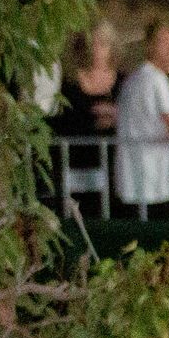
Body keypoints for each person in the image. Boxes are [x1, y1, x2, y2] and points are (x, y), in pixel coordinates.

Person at [112, 16, 169, 220]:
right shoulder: (157, 80)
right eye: (165, 42)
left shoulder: (132, 79)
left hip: (130, 180)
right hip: (153, 183)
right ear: (150, 46)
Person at [47, 18, 123, 218]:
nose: (97, 51)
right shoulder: (69, 82)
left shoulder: (123, 82)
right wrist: (92, 120)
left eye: (103, 44)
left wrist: (115, 116)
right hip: (75, 162)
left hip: (111, 164)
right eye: (93, 44)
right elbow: (61, 119)